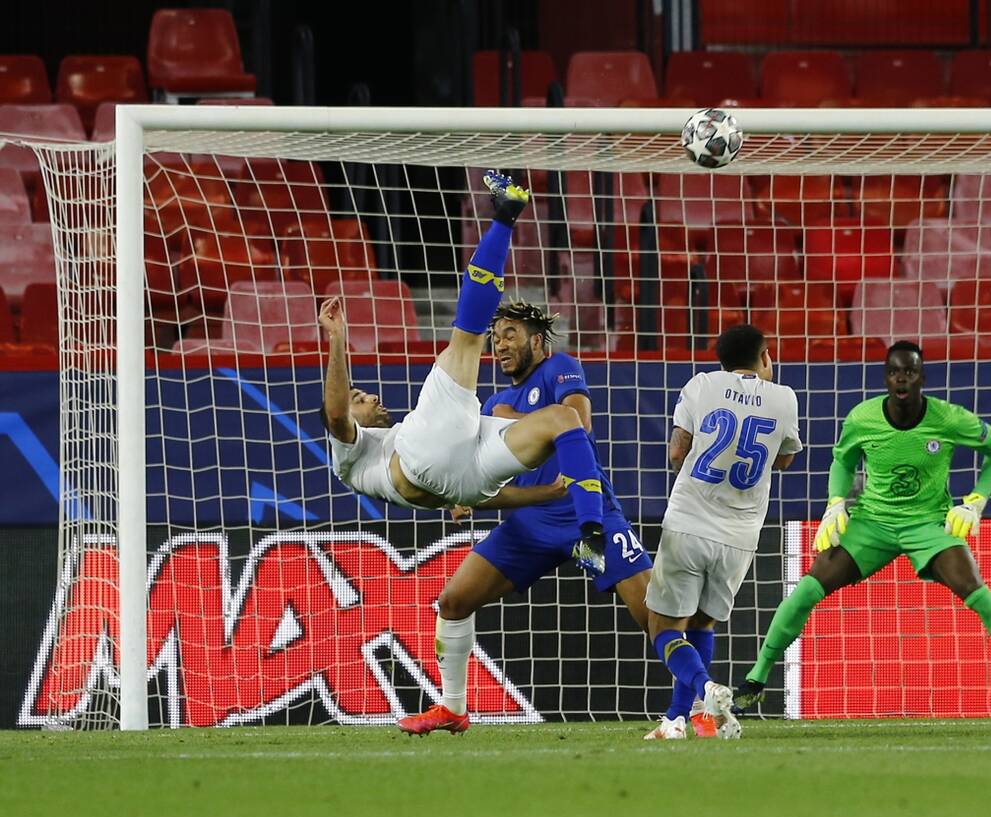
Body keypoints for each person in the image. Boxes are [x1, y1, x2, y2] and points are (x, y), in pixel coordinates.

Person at [318, 171, 606, 606]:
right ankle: (505, 216)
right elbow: (337, 414)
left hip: (465, 481)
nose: (371, 397)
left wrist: (544, 493)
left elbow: (482, 494)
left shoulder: (397, 438)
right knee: (469, 336)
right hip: (421, 460)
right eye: (361, 399)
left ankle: (591, 535)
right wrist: (338, 340)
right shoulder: (351, 453)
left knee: (563, 420)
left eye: (364, 393)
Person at [733, 340, 991, 718]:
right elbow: (843, 461)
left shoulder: (948, 418)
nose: (902, 379)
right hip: (872, 523)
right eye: (895, 371)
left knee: (974, 590)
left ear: (921, 377)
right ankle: (757, 678)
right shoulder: (862, 418)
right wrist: (835, 504)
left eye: (910, 371)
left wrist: (977, 499)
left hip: (929, 523)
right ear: (886, 377)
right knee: (808, 588)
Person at [397, 299, 656, 736]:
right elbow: (480, 472)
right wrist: (461, 495)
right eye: (495, 338)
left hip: (584, 521)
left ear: (537, 340)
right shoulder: (493, 401)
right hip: (529, 526)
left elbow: (580, 423)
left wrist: (512, 419)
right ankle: (453, 708)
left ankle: (702, 698)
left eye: (510, 334)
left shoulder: (559, 369)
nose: (499, 345)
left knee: (652, 614)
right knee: (453, 601)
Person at [644, 324, 802, 741]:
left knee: (664, 629)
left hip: (689, 522)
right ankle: (677, 720)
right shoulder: (785, 399)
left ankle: (704, 690)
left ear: (721, 361)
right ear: (765, 356)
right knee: (703, 625)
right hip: (740, 535)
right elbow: (784, 461)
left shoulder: (701, 385)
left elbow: (678, 451)